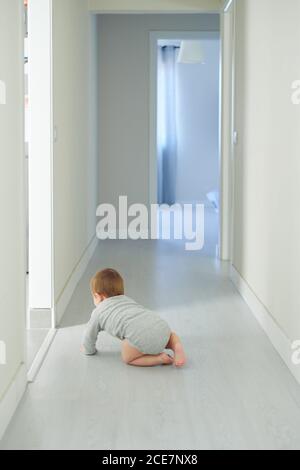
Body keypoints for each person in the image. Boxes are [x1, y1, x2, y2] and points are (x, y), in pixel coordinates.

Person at [81, 268, 186, 367]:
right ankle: (176, 346)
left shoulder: (98, 312)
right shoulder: (126, 299)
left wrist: (89, 350)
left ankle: (159, 358)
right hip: (161, 327)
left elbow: (89, 334)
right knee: (170, 335)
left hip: (142, 338)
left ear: (98, 296)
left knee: (127, 356)